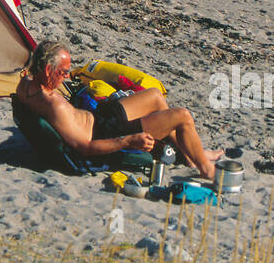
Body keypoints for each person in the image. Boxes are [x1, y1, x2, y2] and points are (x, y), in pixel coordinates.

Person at [14, 40, 224, 178]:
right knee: (182, 116)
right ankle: (206, 169)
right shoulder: (54, 105)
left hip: (99, 117)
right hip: (108, 133)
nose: (68, 76)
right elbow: (85, 147)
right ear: (49, 69)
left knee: (155, 96)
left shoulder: (25, 84)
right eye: (64, 71)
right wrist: (129, 140)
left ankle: (189, 155)